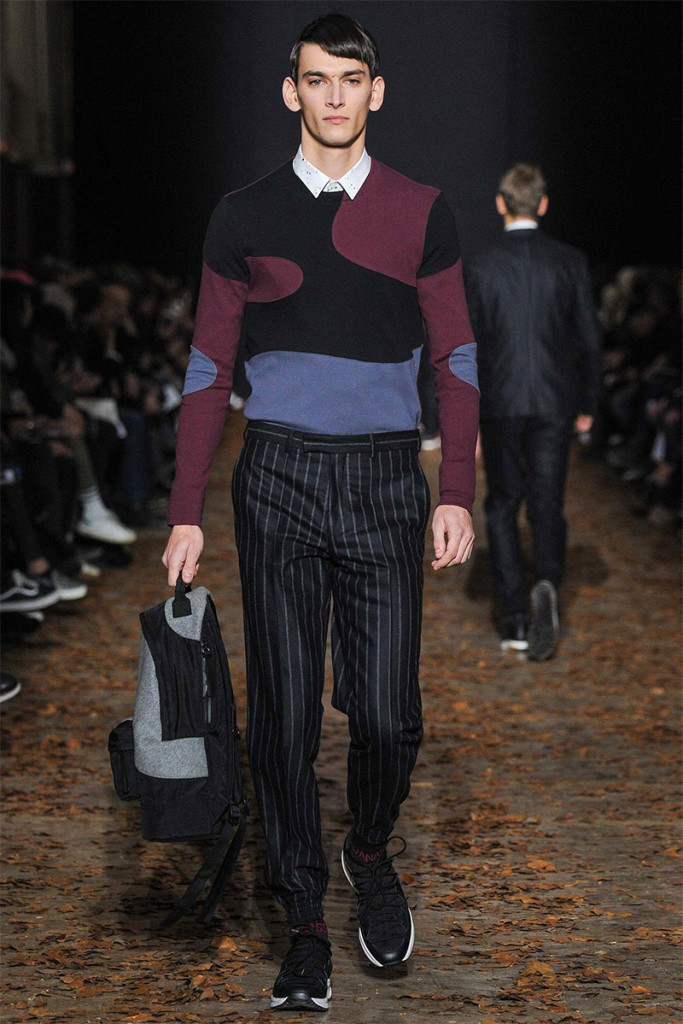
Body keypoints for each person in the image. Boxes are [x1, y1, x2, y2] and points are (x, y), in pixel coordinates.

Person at [162, 12, 478, 1012]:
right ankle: (303, 922)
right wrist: (184, 509)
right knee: (284, 717)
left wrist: (456, 490)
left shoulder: (422, 210)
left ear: (375, 91)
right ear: (289, 91)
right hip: (280, 477)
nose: (333, 96)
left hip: (385, 478)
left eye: (349, 79)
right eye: (315, 79)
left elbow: (456, 357)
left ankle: (368, 849)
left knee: (388, 714)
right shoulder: (241, 215)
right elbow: (208, 368)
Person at [465, 163, 602, 660]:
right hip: (553, 401)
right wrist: (588, 403)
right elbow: (588, 339)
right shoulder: (569, 262)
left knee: (503, 505)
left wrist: (460, 416)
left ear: (501, 203)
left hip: (499, 402)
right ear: (542, 204)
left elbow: (466, 346)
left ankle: (516, 619)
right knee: (547, 503)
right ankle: (546, 580)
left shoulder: (480, 265)